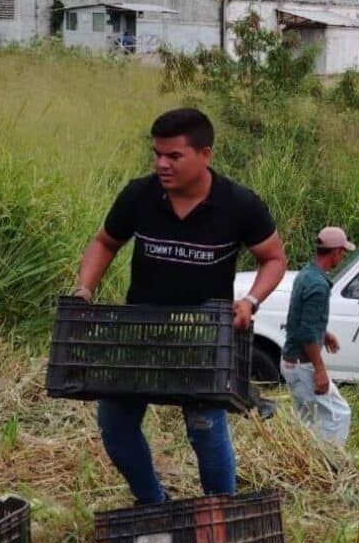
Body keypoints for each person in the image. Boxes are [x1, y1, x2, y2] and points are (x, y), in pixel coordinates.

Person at [72, 107, 288, 503]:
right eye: (156, 154)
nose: (161, 164)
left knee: (205, 429)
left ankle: (218, 513)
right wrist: (85, 288)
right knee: (115, 426)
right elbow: (105, 241)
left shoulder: (238, 204)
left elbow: (274, 258)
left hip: (203, 337)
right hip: (141, 331)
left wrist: (251, 300)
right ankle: (153, 502)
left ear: (204, 154)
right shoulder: (139, 195)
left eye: (173, 156)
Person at [280, 226, 354, 446]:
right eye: (342, 252)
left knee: (306, 420)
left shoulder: (306, 274)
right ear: (335, 252)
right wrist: (320, 370)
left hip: (291, 361)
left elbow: (300, 318)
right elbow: (306, 333)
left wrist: (325, 333)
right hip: (302, 366)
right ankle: (329, 464)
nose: (341, 257)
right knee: (340, 414)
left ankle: (304, 461)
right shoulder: (318, 285)